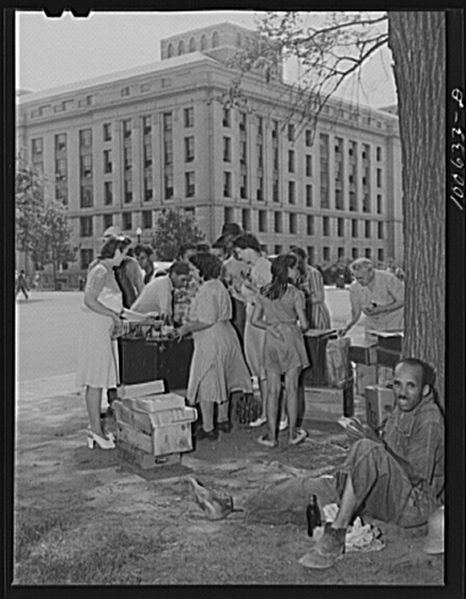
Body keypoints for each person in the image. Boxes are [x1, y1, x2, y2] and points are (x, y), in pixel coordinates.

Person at [302, 357, 444, 569]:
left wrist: (375, 444)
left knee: (366, 449)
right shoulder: (402, 406)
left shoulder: (429, 420)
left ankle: (337, 533)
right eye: (397, 384)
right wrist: (364, 435)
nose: (402, 391)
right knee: (307, 489)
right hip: (390, 495)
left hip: (414, 504)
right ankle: (245, 507)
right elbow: (385, 451)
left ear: (424, 390)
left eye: (411, 385)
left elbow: (417, 477)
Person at [76, 236, 159, 450]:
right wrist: (113, 317)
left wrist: (145, 318)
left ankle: (96, 429)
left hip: (103, 331)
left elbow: (120, 310)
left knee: (99, 381)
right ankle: (95, 431)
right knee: (95, 381)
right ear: (114, 251)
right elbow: (89, 300)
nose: (125, 257)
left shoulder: (109, 271)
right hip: (96, 331)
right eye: (123, 252)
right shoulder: (101, 270)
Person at [177, 253, 252, 441]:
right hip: (227, 334)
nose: (191, 272)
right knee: (223, 379)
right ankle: (223, 419)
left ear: (201, 269)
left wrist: (186, 328)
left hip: (211, 339)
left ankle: (209, 427)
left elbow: (206, 319)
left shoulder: (207, 290)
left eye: (193, 268)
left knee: (207, 382)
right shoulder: (219, 285)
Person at [251, 253, 309, 447]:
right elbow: (305, 324)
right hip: (291, 339)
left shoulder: (264, 291)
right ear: (288, 270)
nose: (298, 270)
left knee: (272, 390)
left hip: (271, 340)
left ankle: (271, 436)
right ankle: (293, 433)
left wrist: (271, 327)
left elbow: (255, 320)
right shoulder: (296, 294)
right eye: (295, 267)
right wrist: (294, 326)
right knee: (292, 388)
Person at [232, 233, 272, 428]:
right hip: (252, 318)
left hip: (262, 321)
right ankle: (265, 411)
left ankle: (272, 413)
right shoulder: (253, 267)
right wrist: (238, 292)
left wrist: (251, 288)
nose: (239, 257)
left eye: (240, 252)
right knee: (258, 368)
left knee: (265, 368)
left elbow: (272, 295)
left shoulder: (265, 267)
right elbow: (250, 297)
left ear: (249, 249)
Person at [340, 258, 404, 336]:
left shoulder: (388, 278)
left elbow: (402, 300)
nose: (359, 281)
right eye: (356, 278)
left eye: (361, 277)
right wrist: (347, 327)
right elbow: (356, 313)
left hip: (394, 325)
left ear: (371, 272)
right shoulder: (354, 287)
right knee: (371, 347)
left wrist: (382, 309)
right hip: (372, 327)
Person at [217, 223, 249, 345]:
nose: (230, 243)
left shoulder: (249, 261)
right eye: (227, 240)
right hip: (236, 304)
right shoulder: (226, 265)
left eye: (232, 239)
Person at [290, 246, 331, 330]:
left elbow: (319, 297)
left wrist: (301, 302)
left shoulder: (313, 273)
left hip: (317, 316)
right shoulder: (297, 275)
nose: (298, 265)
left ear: (305, 259)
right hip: (306, 316)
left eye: (300, 262)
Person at [173, 244, 201, 326]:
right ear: (181, 258)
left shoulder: (198, 279)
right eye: (190, 258)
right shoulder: (173, 277)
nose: (193, 261)